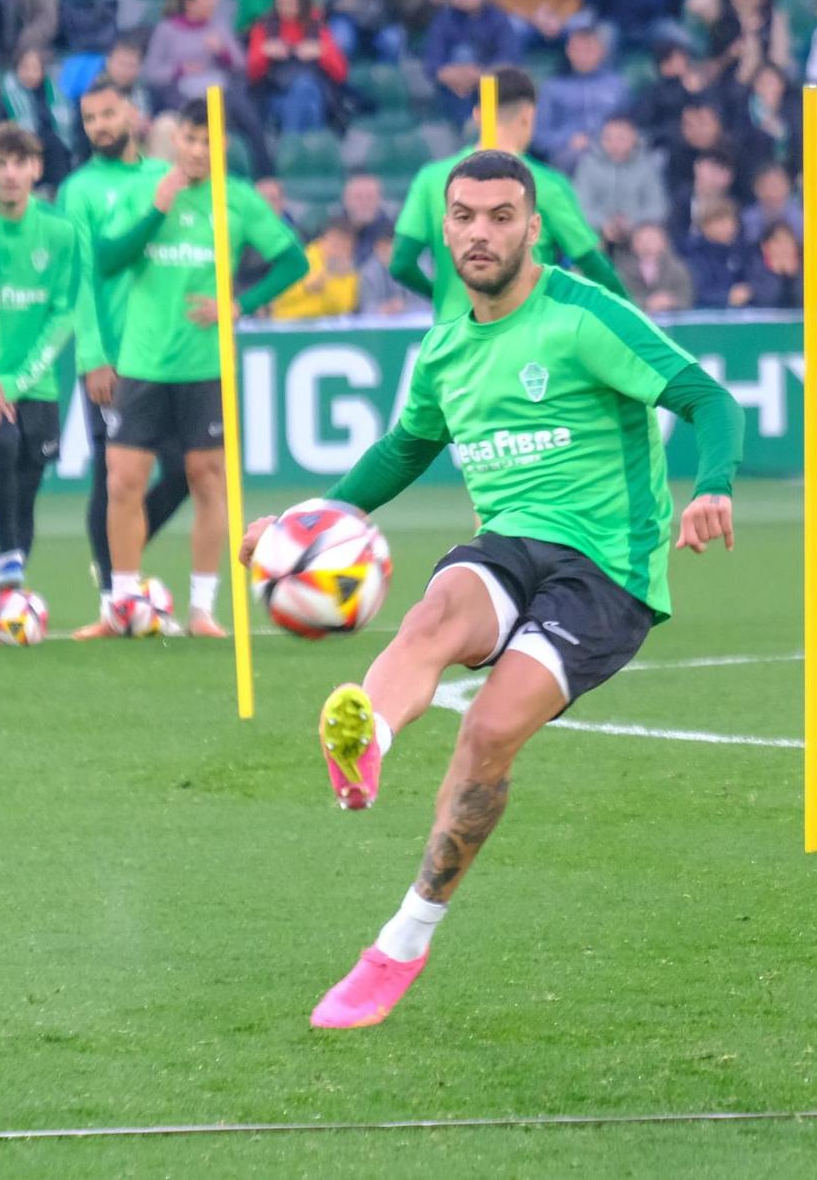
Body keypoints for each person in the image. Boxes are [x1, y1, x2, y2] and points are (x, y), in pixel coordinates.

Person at [235, 149, 742, 1029]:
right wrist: (301, 528)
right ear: (445, 228)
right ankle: (368, 743)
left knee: (488, 729)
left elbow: (708, 398)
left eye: (501, 216)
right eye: (465, 215)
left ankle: (399, 942)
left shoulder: (584, 316)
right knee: (433, 614)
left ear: (532, 227)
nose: (480, 231)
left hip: (608, 570)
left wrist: (715, 483)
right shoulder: (444, 348)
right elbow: (403, 448)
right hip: (509, 545)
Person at [98, 101, 308, 635]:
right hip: (143, 361)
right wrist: (155, 210)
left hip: (205, 365)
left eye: (206, 140)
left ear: (222, 147)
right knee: (123, 480)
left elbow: (294, 260)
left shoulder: (237, 200)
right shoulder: (146, 188)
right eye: (188, 138)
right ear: (176, 142)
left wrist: (239, 303)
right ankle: (120, 605)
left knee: (206, 479)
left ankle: (201, 610)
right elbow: (107, 260)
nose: (195, 150)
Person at [56, 76, 189, 639]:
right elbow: (79, 278)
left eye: (108, 114)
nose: (99, 127)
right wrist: (92, 355)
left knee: (187, 470)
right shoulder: (79, 190)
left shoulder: (166, 179)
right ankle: (116, 599)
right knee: (111, 480)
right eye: (90, 119)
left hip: (172, 354)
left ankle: (119, 555)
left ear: (133, 114)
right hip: (115, 356)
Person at [0, 123, 83, 593]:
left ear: (36, 169)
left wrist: (19, 379)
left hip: (35, 378)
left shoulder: (61, 233)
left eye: (20, 163)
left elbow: (63, 314)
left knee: (31, 468)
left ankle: (12, 575)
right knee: (3, 443)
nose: (10, 173)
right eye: (0, 163)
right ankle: (8, 556)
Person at [392, 68, 625, 319]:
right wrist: (634, 318)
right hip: (526, 337)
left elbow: (401, 263)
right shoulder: (544, 184)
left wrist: (442, 297)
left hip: (453, 337)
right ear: (528, 116)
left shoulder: (431, 178)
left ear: (479, 116)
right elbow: (591, 264)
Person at [143, 0, 268, 168]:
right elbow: (152, 71)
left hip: (219, 91)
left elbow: (240, 64)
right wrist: (180, 70)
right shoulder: (166, 30)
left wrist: (222, 52)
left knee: (248, 116)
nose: (214, 1)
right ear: (190, 3)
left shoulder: (218, 27)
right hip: (182, 94)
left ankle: (264, 174)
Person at [245, 0, 348, 136]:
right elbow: (252, 74)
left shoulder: (316, 26)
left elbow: (341, 73)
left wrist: (321, 52)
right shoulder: (264, 28)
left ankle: (290, 147)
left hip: (313, 90)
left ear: (301, 3)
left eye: (290, 3)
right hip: (277, 94)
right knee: (307, 99)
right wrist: (264, 53)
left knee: (307, 92)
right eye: (281, 3)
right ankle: (309, 148)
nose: (285, 8)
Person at [422, 0, 523, 125]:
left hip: (490, 83)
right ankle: (467, 124)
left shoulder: (498, 18)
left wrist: (479, 74)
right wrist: (456, 76)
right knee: (462, 55)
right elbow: (431, 63)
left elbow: (510, 56)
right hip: (455, 87)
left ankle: (486, 123)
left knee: (492, 75)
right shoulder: (443, 21)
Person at [685, 0, 791, 88]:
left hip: (756, 88)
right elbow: (694, 6)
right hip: (719, 85)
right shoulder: (720, 10)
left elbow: (780, 60)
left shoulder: (774, 16)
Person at [534, 22, 626, 173]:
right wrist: (567, 140)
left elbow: (631, 124)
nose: (583, 56)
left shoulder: (617, 85)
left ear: (602, 52)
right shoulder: (552, 87)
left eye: (589, 50)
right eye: (578, 50)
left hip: (611, 150)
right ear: (568, 51)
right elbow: (539, 135)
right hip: (569, 154)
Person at [575, 114, 669, 251]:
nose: (614, 144)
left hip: (636, 230)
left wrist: (631, 221)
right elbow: (580, 205)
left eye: (621, 138)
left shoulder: (647, 165)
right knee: (587, 241)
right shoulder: (588, 165)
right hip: (598, 230)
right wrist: (604, 224)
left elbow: (658, 206)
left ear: (634, 138)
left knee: (652, 238)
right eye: (608, 138)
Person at [1, 48, 74, 187]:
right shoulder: (6, 99)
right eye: (25, 68)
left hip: (56, 157)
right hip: (23, 152)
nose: (31, 74)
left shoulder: (54, 93)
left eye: (35, 68)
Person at [269, 220, 361, 320]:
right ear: (321, 241)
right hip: (289, 327)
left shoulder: (348, 272)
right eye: (335, 245)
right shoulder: (298, 261)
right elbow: (275, 299)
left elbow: (344, 308)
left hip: (326, 331)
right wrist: (305, 288)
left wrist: (329, 283)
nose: (337, 252)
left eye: (344, 249)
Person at [683, 199, 759, 307]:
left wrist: (748, 292)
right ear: (705, 226)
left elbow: (755, 281)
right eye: (722, 222)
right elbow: (696, 292)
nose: (729, 227)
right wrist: (727, 297)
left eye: (732, 222)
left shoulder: (742, 250)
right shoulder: (694, 253)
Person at [613, 220, 693, 311]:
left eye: (652, 239)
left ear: (663, 242)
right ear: (633, 244)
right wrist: (647, 302)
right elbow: (621, 296)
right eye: (641, 240)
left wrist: (670, 301)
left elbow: (686, 295)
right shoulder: (623, 269)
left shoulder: (677, 268)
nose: (646, 245)